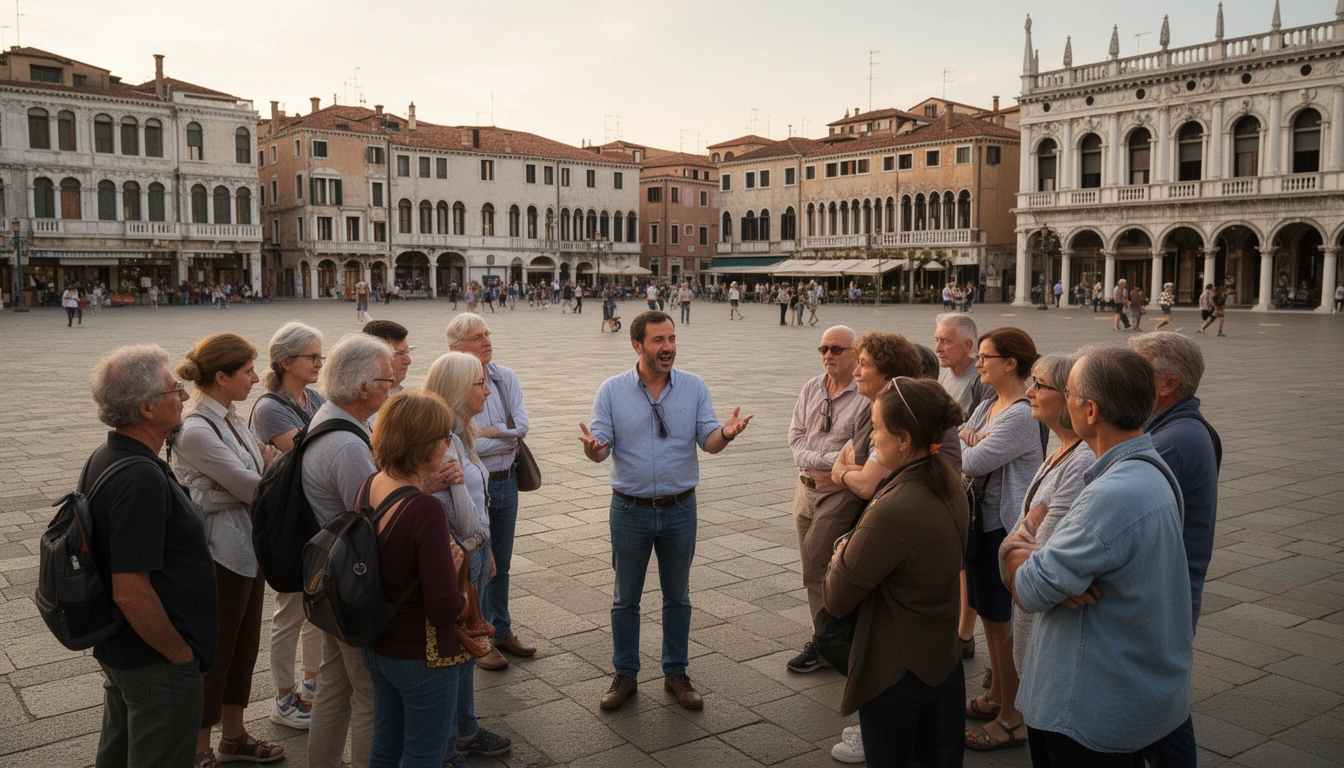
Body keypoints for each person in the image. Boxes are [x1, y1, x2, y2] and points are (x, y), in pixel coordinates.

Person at [1003, 347, 1191, 766]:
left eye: (1066, 391)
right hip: (1126, 694)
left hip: (1086, 710)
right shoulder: (1151, 468)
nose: (1057, 399)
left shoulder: (1110, 495)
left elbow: (1030, 589)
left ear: (1089, 411)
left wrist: (1015, 549)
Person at [579, 311, 752, 711]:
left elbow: (707, 442)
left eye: (671, 339)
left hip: (679, 509)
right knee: (625, 598)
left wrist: (725, 433)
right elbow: (601, 446)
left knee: (678, 597)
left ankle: (676, 672)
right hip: (629, 509)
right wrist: (593, 450)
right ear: (637, 345)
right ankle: (625, 673)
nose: (668, 347)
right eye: (658, 341)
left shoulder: (693, 387)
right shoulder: (611, 390)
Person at [824, 380, 969, 767]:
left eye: (878, 428)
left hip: (895, 670)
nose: (873, 437)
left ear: (903, 439)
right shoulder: (950, 483)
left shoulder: (895, 507)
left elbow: (836, 597)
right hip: (940, 658)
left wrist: (841, 551)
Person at [86, 345, 217, 768]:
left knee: (119, 754)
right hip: (154, 660)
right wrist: (178, 654)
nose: (183, 396)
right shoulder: (140, 477)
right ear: (146, 408)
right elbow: (130, 589)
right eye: (174, 390)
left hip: (126, 652)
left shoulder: (108, 456)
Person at [169, 334, 285, 768]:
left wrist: (251, 477)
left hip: (246, 545)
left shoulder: (232, 418)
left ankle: (233, 736)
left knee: (244, 645)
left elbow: (257, 475)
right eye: (248, 372)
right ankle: (198, 747)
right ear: (221, 377)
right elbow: (257, 486)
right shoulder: (197, 428)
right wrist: (257, 475)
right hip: (218, 553)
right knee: (216, 651)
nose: (256, 379)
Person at [303, 334, 402, 768]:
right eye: (387, 380)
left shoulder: (332, 417)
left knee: (334, 683)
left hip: (329, 578)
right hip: (350, 584)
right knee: (369, 695)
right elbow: (374, 516)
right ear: (363, 388)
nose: (392, 387)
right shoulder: (347, 445)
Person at [357, 390, 467, 768]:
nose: (447, 443)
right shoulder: (425, 509)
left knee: (386, 744)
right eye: (443, 436)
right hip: (421, 655)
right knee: (426, 753)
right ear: (423, 444)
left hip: (378, 646)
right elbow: (442, 609)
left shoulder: (370, 485)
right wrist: (455, 578)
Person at [1129, 332, 1221, 767]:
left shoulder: (1173, 441)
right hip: (1167, 593)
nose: (1124, 375)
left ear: (1167, 385)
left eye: (1136, 367)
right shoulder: (1171, 428)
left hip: (1162, 598)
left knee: (1158, 716)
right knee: (1162, 710)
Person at [423, 353, 513, 760]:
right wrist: (476, 541)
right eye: (480, 384)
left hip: (472, 550)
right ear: (460, 390)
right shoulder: (442, 439)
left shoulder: (460, 433)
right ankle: (454, 739)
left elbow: (477, 501)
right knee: (457, 650)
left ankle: (464, 729)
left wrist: (485, 545)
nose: (487, 390)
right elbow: (457, 511)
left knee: (465, 648)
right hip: (456, 557)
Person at [959, 327, 1043, 752]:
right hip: (982, 525)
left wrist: (972, 442)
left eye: (986, 357)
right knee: (991, 620)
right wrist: (971, 439)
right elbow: (961, 434)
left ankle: (1014, 716)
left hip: (1002, 529)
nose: (978, 363)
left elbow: (969, 456)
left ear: (1011, 363)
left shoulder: (1021, 412)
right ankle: (997, 697)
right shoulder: (991, 404)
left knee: (1001, 623)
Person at [446, 313, 537, 670]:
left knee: (503, 562)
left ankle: (502, 629)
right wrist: (500, 435)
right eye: (476, 337)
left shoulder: (504, 377)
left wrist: (486, 434)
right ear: (456, 348)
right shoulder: (452, 384)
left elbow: (523, 427)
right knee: (477, 567)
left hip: (507, 479)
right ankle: (479, 636)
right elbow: (460, 443)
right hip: (472, 488)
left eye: (487, 334)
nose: (486, 341)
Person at [249, 322, 326, 725]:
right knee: (291, 610)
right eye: (311, 357)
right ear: (285, 362)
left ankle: (311, 681)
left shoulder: (313, 396)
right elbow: (313, 452)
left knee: (316, 604)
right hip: (290, 521)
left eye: (319, 356)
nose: (319, 363)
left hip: (314, 517)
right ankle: (283, 695)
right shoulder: (270, 407)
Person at [1003, 355, 1095, 680]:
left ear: (1071, 396)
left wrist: (1015, 549)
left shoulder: (1081, 461)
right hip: (1034, 635)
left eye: (1040, 385)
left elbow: (1038, 569)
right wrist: (1016, 544)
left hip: (1052, 647)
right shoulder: (1060, 451)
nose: (1029, 392)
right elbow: (1012, 546)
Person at [787, 326, 869, 673]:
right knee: (812, 568)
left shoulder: (864, 397)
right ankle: (827, 637)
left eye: (836, 349)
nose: (828, 355)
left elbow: (857, 456)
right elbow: (794, 438)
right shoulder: (811, 386)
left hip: (838, 493)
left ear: (855, 353)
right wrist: (823, 461)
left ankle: (828, 643)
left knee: (822, 567)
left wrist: (826, 463)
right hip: (805, 489)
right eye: (823, 348)